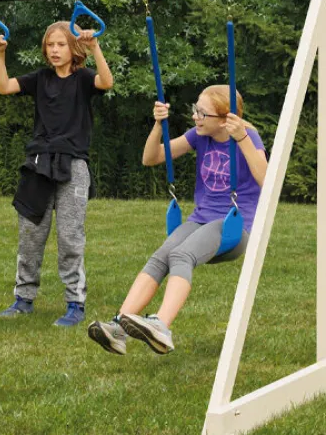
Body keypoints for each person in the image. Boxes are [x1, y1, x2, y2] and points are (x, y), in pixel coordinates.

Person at [87, 86, 267, 355]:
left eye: (202, 113)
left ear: (224, 118)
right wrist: (159, 125)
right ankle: (118, 328)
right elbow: (151, 158)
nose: (195, 117)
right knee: (161, 257)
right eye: (195, 109)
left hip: (234, 226)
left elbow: (268, 180)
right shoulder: (200, 135)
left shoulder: (247, 136)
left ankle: (161, 326)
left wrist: (241, 138)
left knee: (181, 255)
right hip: (201, 220)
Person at [0, 21, 113, 325]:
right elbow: (4, 87)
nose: (55, 50)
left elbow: (107, 82)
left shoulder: (84, 79)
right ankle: (23, 299)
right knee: (30, 235)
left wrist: (94, 46)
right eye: (50, 45)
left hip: (73, 166)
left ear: (73, 49)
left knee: (70, 237)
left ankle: (75, 303)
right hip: (38, 164)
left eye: (61, 44)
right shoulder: (40, 79)